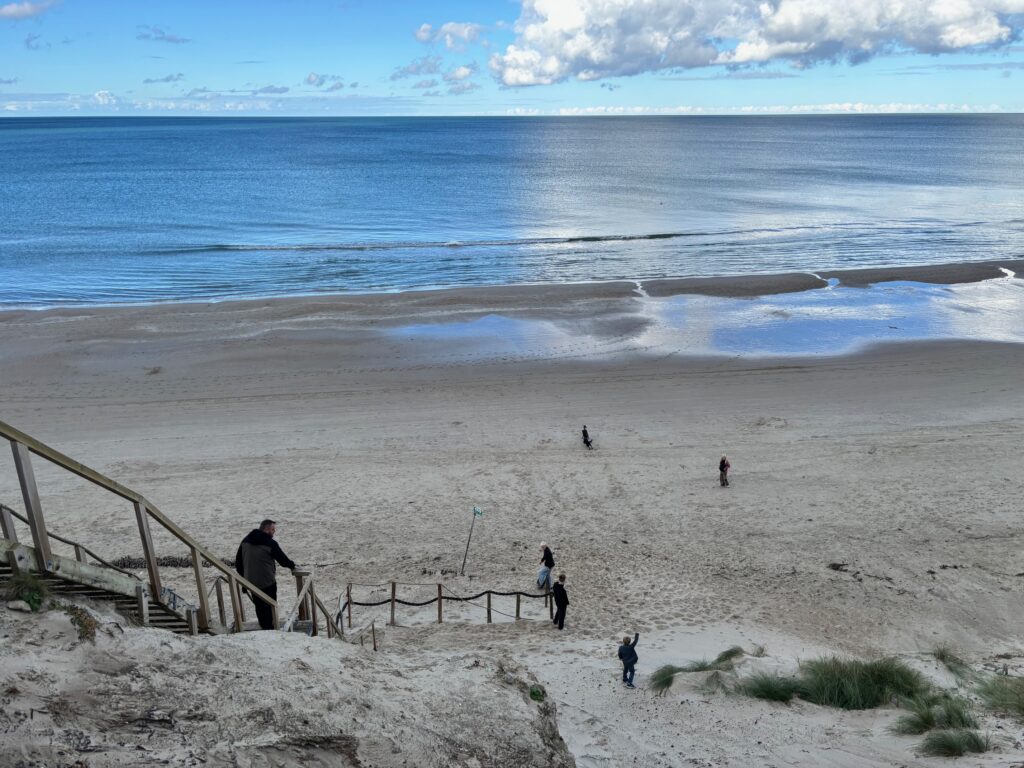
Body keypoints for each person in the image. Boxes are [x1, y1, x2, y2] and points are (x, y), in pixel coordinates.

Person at [235, 518, 296, 630]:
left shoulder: (245, 541)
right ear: (267, 529)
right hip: (267, 581)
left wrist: (244, 580)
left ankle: (264, 626)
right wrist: (292, 565)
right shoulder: (271, 543)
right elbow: (283, 561)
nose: (274, 532)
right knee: (270, 605)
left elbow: (238, 562)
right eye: (273, 529)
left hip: (251, 582)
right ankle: (271, 628)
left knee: (259, 606)